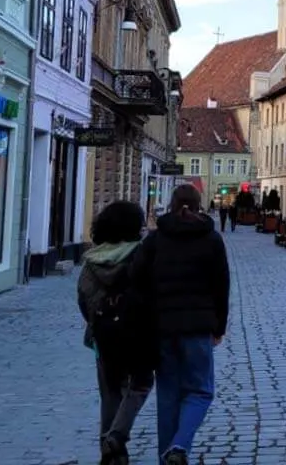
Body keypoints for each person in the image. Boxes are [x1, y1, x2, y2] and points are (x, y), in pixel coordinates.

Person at [132, 184, 230, 465]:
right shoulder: (211, 239)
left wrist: (146, 321)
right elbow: (221, 286)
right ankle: (179, 445)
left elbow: (137, 283)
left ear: (171, 204)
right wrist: (219, 326)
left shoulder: (155, 239)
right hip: (198, 328)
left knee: (168, 396)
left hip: (162, 328)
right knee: (200, 391)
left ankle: (167, 458)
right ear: (199, 205)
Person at [77, 201, 153, 465]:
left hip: (103, 336)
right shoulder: (141, 256)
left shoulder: (91, 261)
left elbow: (83, 299)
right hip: (137, 334)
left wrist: (98, 324)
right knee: (142, 384)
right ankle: (116, 437)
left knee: (110, 392)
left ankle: (111, 455)